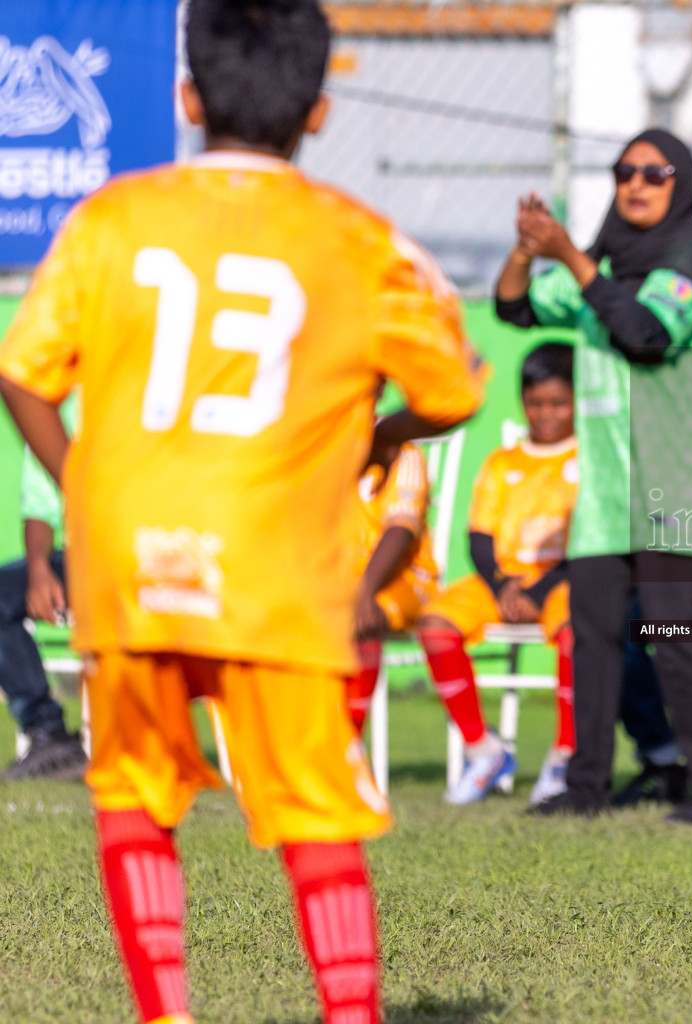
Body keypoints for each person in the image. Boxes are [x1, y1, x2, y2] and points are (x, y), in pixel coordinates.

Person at [0, 2, 485, 1022]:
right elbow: (457, 390)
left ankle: (164, 1014)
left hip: (134, 561)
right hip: (277, 569)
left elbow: (22, 370)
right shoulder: (357, 239)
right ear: (318, 111)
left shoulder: (112, 218)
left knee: (135, 797)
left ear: (187, 97)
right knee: (315, 811)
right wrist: (387, 435)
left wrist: (89, 481)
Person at [495, 129, 692, 822]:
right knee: (593, 636)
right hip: (605, 494)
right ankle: (586, 787)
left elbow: (642, 331)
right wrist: (528, 248)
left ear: (680, 182)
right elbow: (513, 305)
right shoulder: (596, 273)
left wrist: (570, 255)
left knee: (672, 636)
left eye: (654, 172)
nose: (636, 183)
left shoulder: (691, 260)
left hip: (676, 482)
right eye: (624, 171)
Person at [413, 341, 577, 805]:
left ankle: (564, 754)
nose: (546, 413)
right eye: (536, 403)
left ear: (576, 402)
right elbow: (479, 539)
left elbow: (587, 542)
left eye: (558, 403)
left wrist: (540, 588)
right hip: (500, 584)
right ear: (523, 401)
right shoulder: (502, 461)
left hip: (561, 582)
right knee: (436, 625)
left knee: (577, 634)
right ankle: (483, 750)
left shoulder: (587, 460)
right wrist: (504, 584)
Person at [0, 391, 86, 780]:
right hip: (85, 557)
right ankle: (47, 732)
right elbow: (40, 502)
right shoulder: (59, 408)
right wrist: (38, 568)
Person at [345, 429, 438, 731]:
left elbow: (401, 529)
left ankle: (347, 747)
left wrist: (364, 591)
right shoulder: (320, 444)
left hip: (405, 580)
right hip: (339, 582)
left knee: (358, 617)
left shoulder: (402, 452)